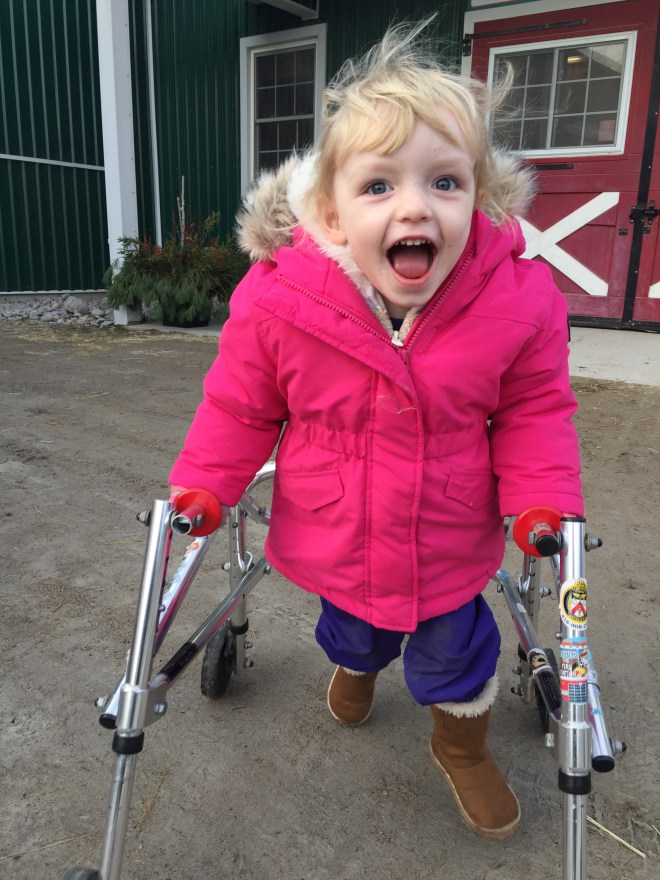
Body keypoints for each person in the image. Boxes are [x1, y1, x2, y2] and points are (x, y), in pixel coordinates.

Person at [169, 21, 583, 840]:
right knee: (352, 628)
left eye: (444, 181)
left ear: (479, 198)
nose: (415, 206)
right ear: (329, 213)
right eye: (380, 186)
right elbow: (241, 408)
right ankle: (357, 667)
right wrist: (206, 486)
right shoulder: (279, 301)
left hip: (450, 531)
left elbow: (535, 409)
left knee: (457, 648)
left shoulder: (518, 301)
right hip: (335, 527)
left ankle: (461, 745)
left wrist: (541, 500)